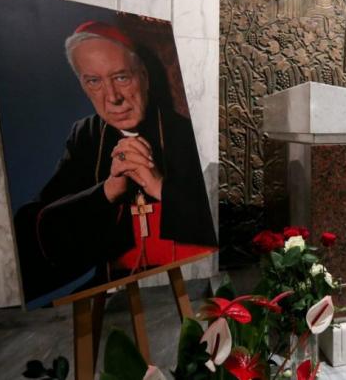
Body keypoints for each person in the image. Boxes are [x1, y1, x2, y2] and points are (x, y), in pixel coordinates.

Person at [14, 21, 217, 306]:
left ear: (144, 76)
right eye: (94, 82)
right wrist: (108, 191)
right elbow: (37, 231)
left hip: (187, 278)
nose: (112, 98)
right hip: (114, 284)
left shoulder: (187, 130)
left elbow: (219, 221)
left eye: (121, 77)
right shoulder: (87, 135)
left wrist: (159, 187)